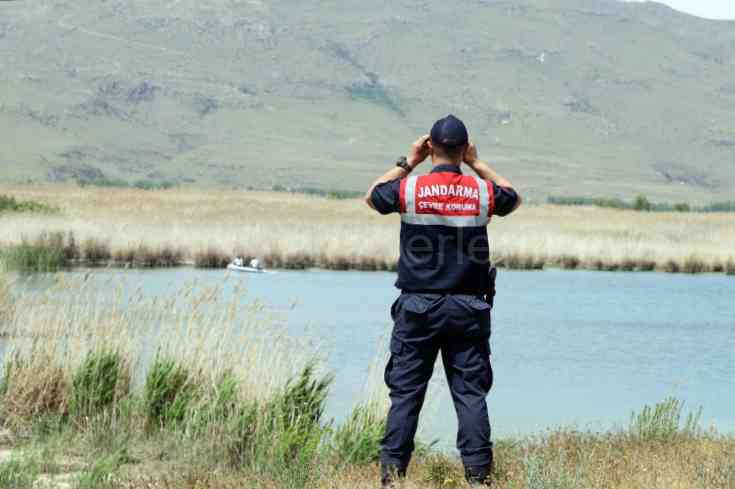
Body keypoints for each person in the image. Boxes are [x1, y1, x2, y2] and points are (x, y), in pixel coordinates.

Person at [365, 115, 521, 486]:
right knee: (470, 394)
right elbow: (513, 198)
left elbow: (372, 197)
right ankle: (478, 479)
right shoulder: (482, 193)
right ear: (463, 149)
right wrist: (477, 163)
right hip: (468, 308)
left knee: (405, 395)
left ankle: (392, 479)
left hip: (417, 308)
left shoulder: (411, 189)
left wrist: (409, 162)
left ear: (431, 147)